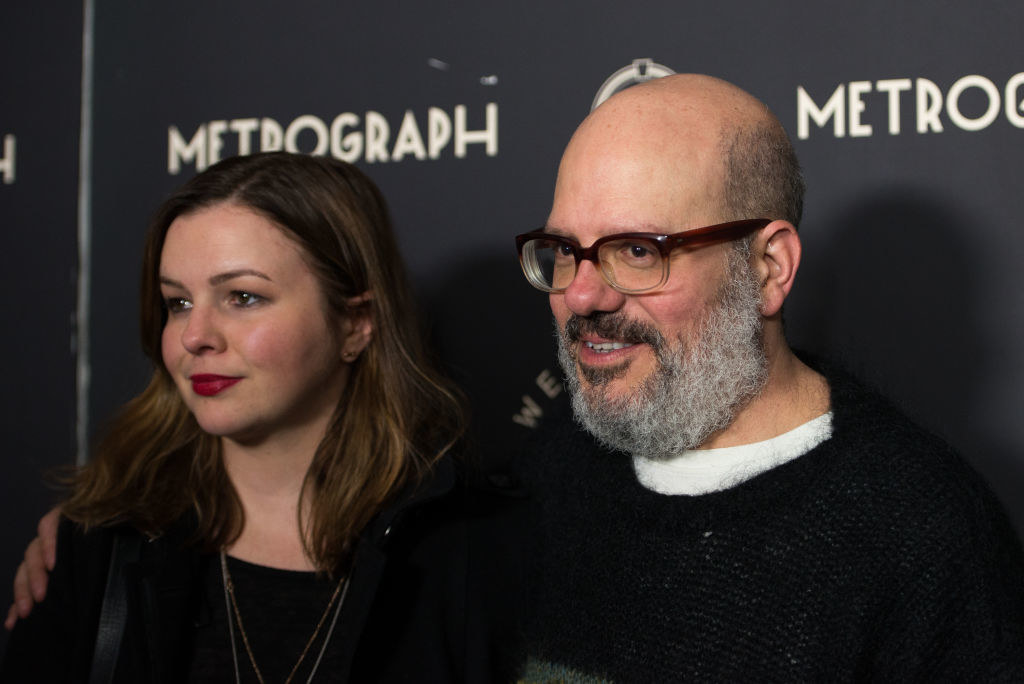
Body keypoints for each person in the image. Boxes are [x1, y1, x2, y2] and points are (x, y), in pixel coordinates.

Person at [511, 74, 1024, 680]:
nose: (582, 294)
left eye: (638, 251)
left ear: (769, 268)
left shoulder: (920, 532)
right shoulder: (551, 474)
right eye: (564, 250)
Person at [1, 152, 522, 682]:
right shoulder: (97, 547)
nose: (194, 335)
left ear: (355, 323)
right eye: (177, 303)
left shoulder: (473, 554)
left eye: (242, 297)